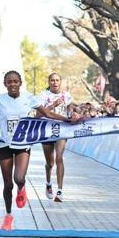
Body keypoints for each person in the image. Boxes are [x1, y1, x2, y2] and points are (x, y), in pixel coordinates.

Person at [0, 70, 83, 230]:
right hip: (4, 145)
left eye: (16, 81)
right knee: (8, 185)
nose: (13, 84)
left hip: (22, 144)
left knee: (19, 178)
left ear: (20, 83)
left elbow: (47, 113)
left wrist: (68, 120)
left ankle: (21, 188)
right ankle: (8, 216)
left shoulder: (28, 98)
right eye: (9, 82)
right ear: (5, 84)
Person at [38, 73, 74, 202]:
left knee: (59, 157)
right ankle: (48, 183)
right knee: (50, 163)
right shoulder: (43, 95)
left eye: (57, 80)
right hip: (47, 130)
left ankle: (60, 191)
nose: (55, 82)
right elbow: (37, 115)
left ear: (60, 82)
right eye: (52, 80)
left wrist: (74, 115)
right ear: (49, 82)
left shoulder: (67, 95)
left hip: (62, 130)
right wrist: (53, 105)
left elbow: (70, 111)